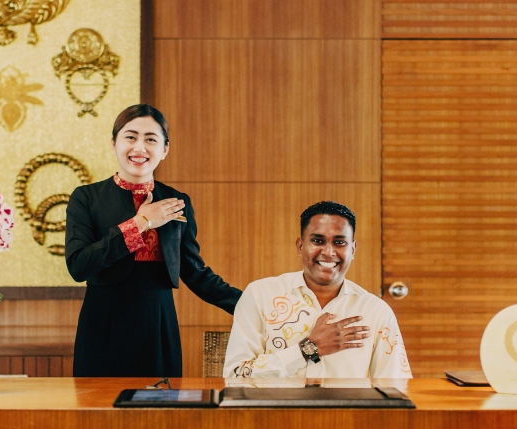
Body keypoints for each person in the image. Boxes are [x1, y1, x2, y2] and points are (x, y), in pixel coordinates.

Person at [66, 104, 241, 377]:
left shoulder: (176, 202)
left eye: (150, 139)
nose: (139, 148)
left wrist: (251, 305)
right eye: (130, 137)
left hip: (159, 325)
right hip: (103, 324)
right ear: (114, 144)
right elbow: (78, 266)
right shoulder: (86, 198)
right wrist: (142, 222)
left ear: (165, 149)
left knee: (160, 413)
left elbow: (195, 274)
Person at [223, 201, 411, 379]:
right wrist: (307, 349)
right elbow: (235, 376)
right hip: (276, 413)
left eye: (339, 242)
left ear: (352, 249)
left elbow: (395, 388)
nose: (329, 252)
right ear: (300, 246)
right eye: (318, 241)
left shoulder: (376, 311)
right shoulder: (259, 295)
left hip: (348, 414)